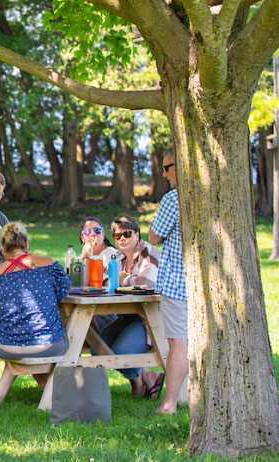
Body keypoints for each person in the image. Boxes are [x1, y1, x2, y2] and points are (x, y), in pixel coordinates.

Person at [0, 223, 70, 409]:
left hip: (6, 347)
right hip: (47, 346)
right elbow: (64, 291)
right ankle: (48, 402)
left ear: (2, 249)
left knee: (18, 336)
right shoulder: (48, 264)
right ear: (27, 243)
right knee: (73, 339)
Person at [97, 215, 164, 398]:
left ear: (137, 234)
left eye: (127, 234)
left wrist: (121, 279)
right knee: (98, 347)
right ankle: (144, 377)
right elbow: (103, 280)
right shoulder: (117, 257)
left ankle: (141, 380)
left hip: (150, 320)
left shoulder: (148, 253)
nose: (122, 239)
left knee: (120, 353)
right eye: (117, 236)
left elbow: (146, 282)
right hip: (127, 316)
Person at [149, 150, 187, 414]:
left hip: (176, 282)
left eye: (167, 167)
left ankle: (170, 403)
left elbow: (153, 236)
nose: (164, 174)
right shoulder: (207, 194)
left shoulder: (174, 199)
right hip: (197, 284)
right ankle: (187, 397)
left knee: (178, 343)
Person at [78, 216, 118, 285]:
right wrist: (84, 257)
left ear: (103, 234)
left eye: (97, 230)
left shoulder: (113, 254)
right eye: (88, 232)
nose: (93, 234)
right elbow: (75, 283)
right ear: (82, 238)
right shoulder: (80, 259)